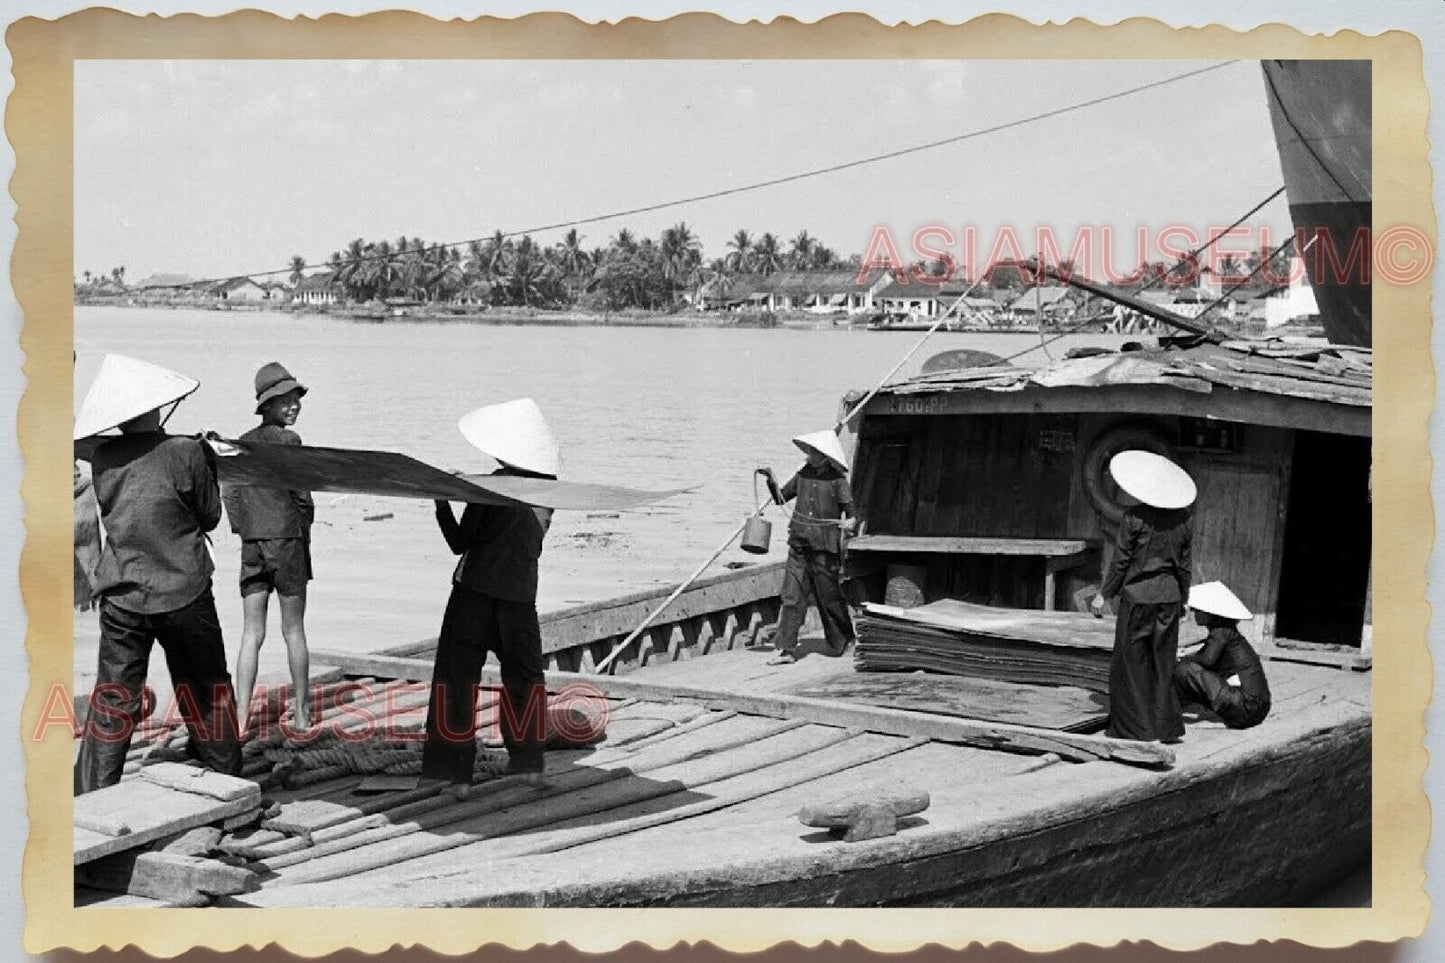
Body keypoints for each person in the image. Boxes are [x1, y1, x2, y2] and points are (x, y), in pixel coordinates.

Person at [73, 353, 242, 793]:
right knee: (206, 686)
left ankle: (92, 792)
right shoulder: (185, 451)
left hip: (122, 592)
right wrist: (206, 461)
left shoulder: (102, 457)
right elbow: (209, 516)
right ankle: (225, 780)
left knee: (113, 696)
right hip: (182, 588)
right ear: (153, 406)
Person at [423, 398, 557, 789]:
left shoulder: (493, 486)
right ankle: (529, 763)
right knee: (525, 678)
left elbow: (459, 542)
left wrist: (442, 502)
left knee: (456, 678)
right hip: (519, 597)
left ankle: (456, 773)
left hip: (475, 594)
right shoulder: (550, 492)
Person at [223, 362, 315, 734]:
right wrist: (300, 529)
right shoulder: (290, 442)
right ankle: (304, 713)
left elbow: (228, 489)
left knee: (251, 633)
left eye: (296, 399)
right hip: (286, 541)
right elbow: (303, 495)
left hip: (252, 545)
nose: (294, 405)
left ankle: (241, 716)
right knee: (293, 630)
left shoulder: (241, 442)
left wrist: (245, 528)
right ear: (269, 405)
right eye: (286, 400)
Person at [1091, 449, 1195, 743]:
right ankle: (1166, 728)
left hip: (1137, 599)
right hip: (1169, 599)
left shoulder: (1133, 518)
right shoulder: (1184, 520)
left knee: (1130, 663)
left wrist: (1104, 594)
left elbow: (1121, 560)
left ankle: (1136, 729)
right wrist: (1184, 599)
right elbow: (1184, 566)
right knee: (1163, 663)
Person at [764, 430, 857, 666]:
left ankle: (843, 641)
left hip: (825, 549)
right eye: (810, 452)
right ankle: (786, 650)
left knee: (829, 596)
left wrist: (850, 523)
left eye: (815, 452)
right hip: (798, 543)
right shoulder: (802, 475)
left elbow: (852, 514)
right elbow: (780, 498)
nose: (810, 455)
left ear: (825, 457)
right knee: (792, 596)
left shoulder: (838, 480)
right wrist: (770, 479)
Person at [1174, 581, 1271, 730]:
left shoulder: (1220, 633)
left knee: (1184, 669)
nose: (1195, 614)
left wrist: (1184, 657)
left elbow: (1206, 660)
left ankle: (1169, 711)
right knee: (1190, 670)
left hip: (1248, 707)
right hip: (1257, 708)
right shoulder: (1226, 632)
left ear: (1212, 614)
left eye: (1199, 610)